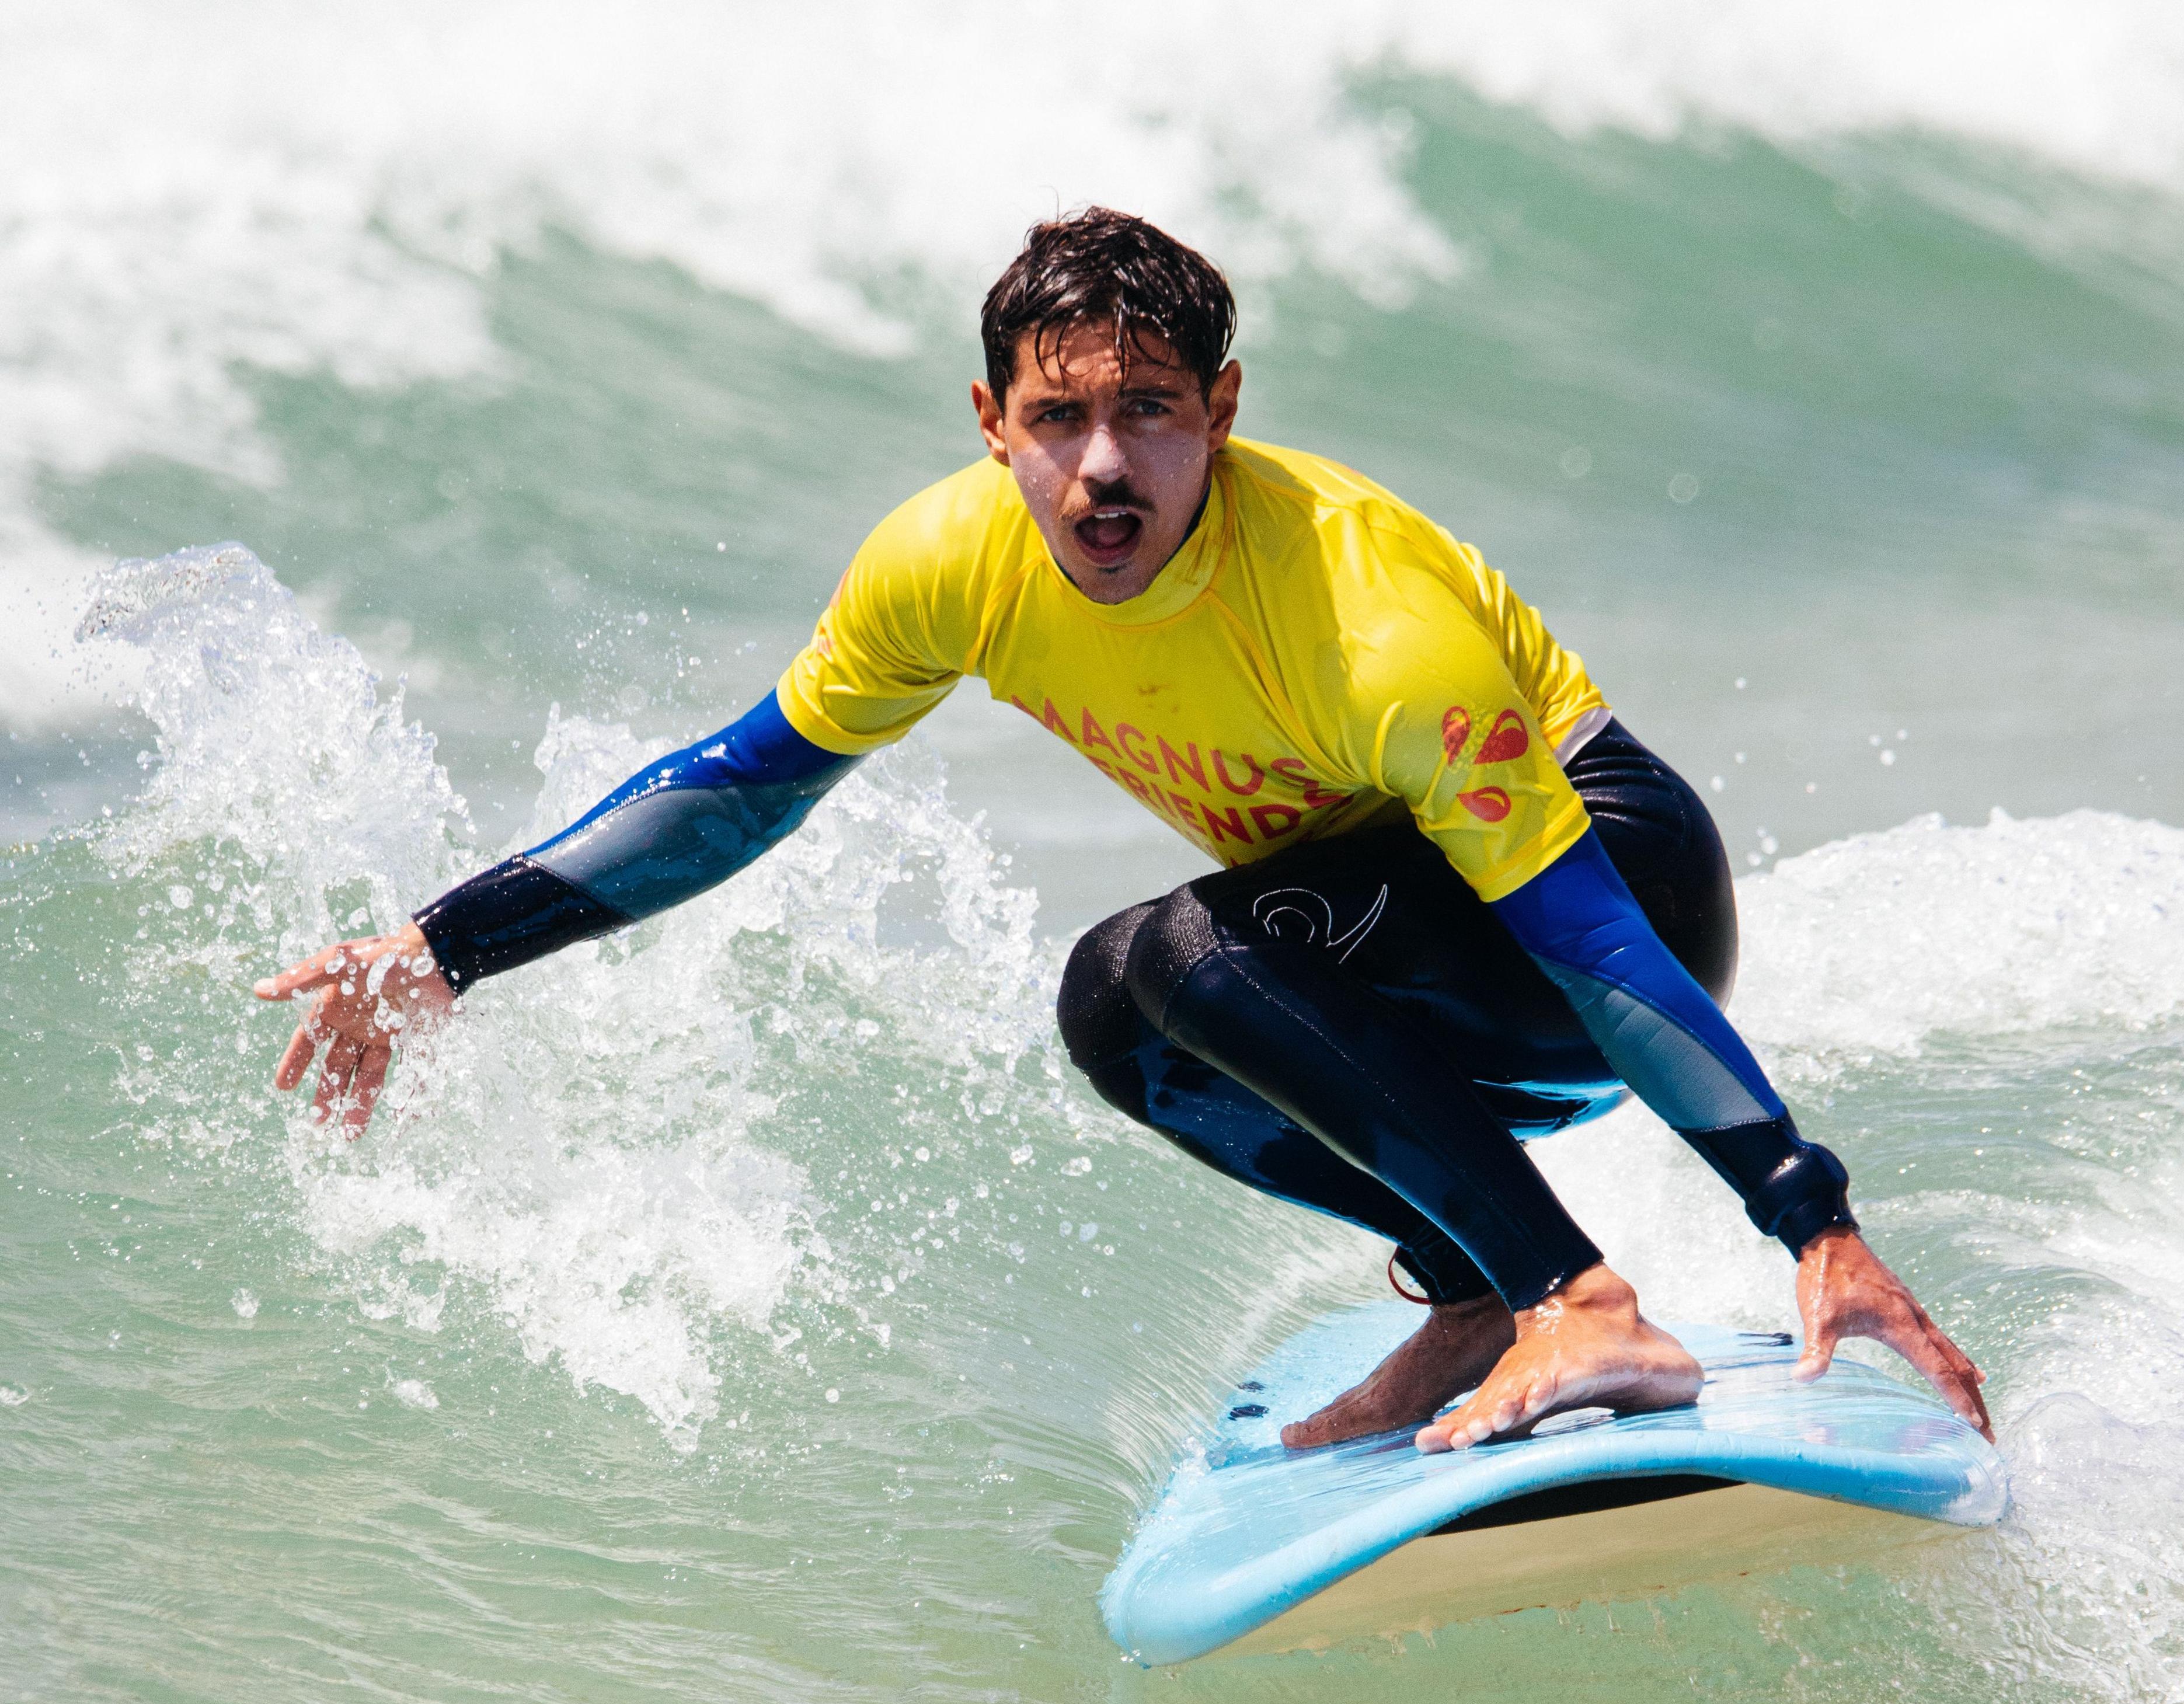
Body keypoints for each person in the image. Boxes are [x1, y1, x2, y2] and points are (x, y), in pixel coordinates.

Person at [254, 209, 1992, 1453]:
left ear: (1220, 415)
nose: (1104, 467)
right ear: (992, 427)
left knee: (1176, 949)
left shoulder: (1370, 624)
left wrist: (1806, 1216)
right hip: (1381, 930)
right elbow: (740, 789)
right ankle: (1480, 1285)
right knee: (1115, 1014)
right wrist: (443, 949)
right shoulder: (950, 566)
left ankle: (1581, 1305)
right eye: (1060, 417)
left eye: (1149, 410)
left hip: (1610, 889)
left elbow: (1602, 951)